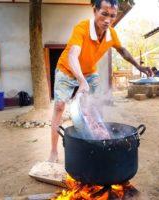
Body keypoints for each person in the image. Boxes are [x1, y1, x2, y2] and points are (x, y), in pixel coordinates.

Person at [48, 0, 153, 162]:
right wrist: (81, 81)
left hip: (90, 72)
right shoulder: (82, 28)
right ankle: (54, 152)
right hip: (67, 70)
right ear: (95, 11)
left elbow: (123, 50)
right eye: (104, 14)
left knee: (95, 105)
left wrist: (139, 67)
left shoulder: (111, 34)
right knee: (59, 106)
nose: (107, 20)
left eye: (112, 16)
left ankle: (97, 141)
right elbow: (72, 55)